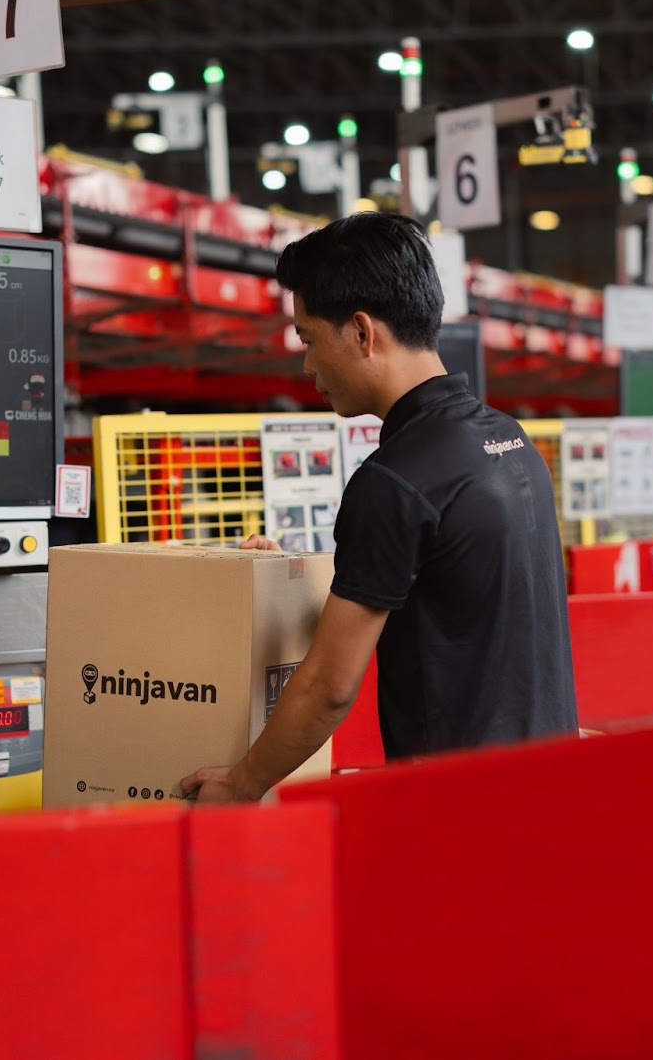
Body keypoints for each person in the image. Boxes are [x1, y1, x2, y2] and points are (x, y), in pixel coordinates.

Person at [180, 213, 578, 803]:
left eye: (309, 340)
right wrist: (289, 574)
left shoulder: (397, 478)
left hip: (460, 803)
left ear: (362, 333)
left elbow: (330, 686)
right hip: (547, 781)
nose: (308, 368)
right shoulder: (508, 440)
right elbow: (445, 597)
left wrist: (243, 782)